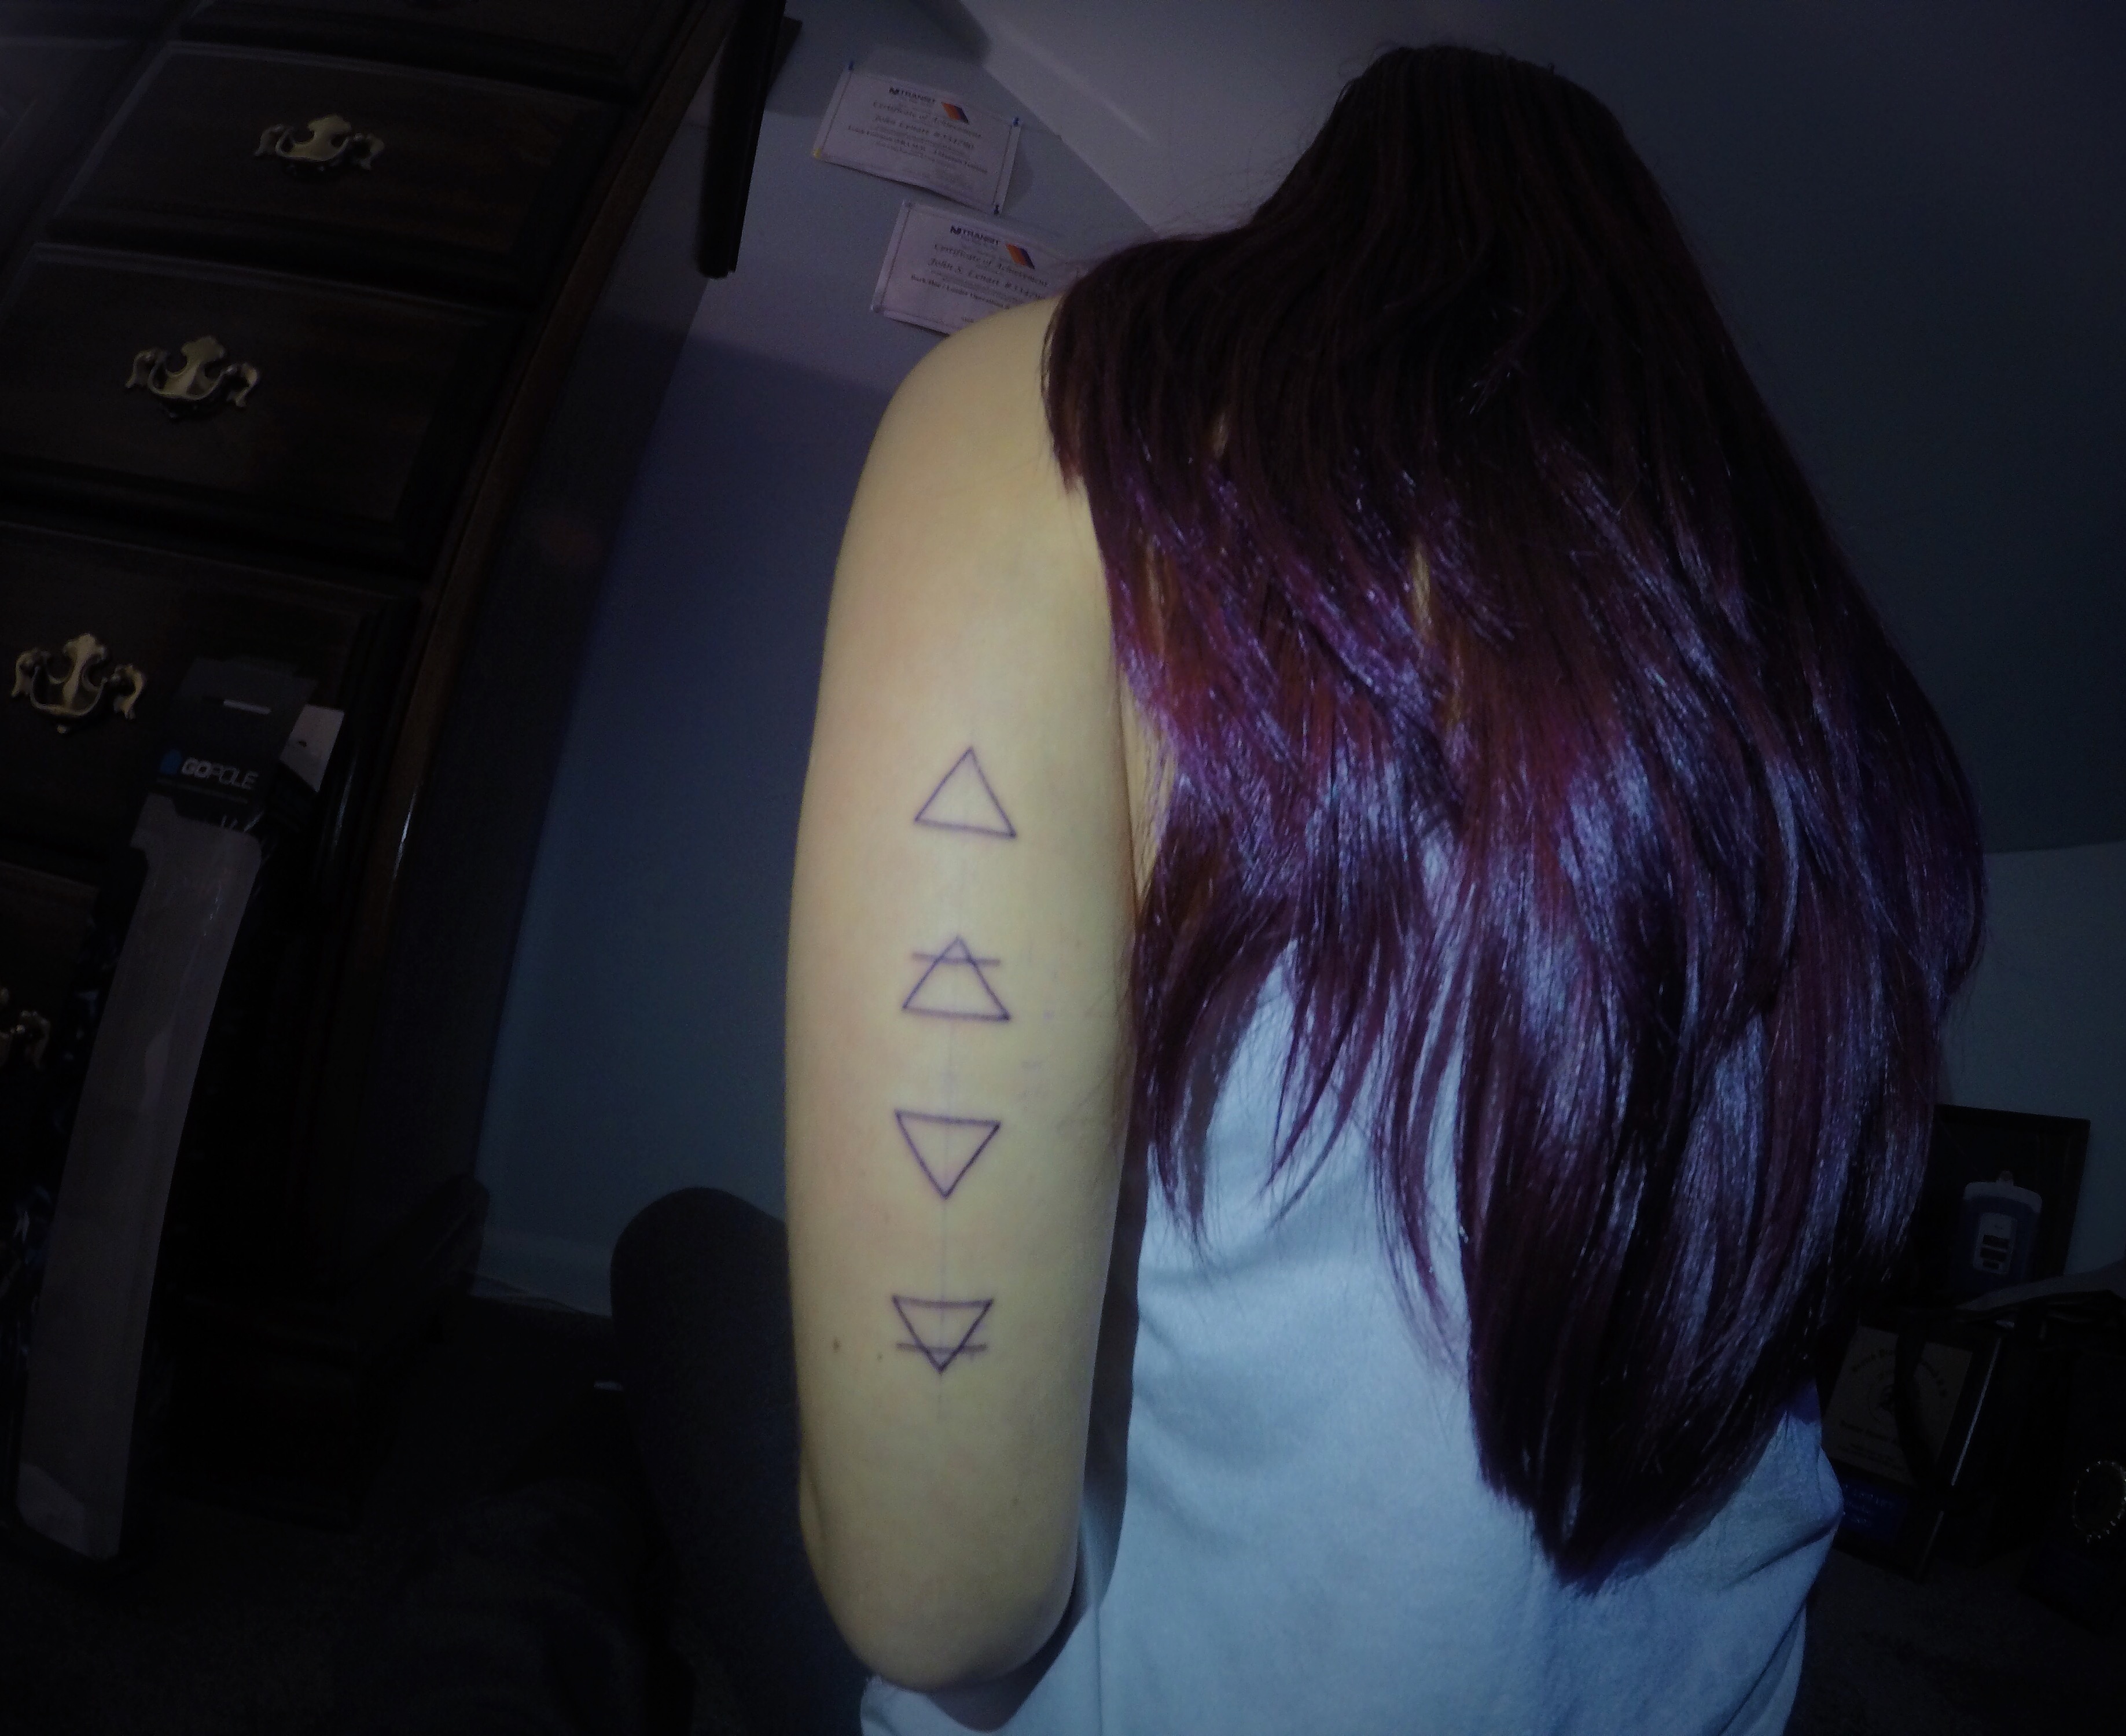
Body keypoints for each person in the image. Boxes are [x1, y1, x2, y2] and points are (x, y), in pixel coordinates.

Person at [615, 41, 1984, 1736]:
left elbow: (941, 1602)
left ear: (1326, 234)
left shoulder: (1054, 419)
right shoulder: (1833, 715)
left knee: (679, 1259)